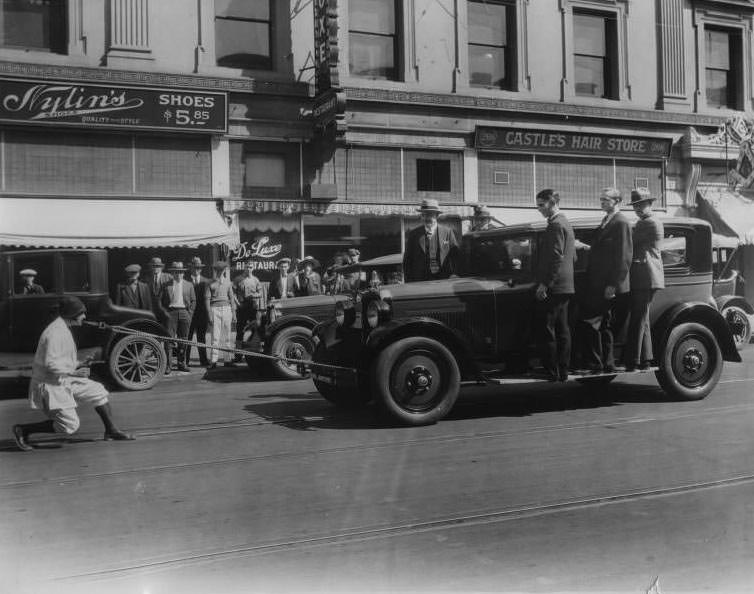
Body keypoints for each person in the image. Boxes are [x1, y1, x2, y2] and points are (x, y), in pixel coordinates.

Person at [11, 296, 134, 452]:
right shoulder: (55, 333)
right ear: (72, 314)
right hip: (50, 385)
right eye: (82, 313)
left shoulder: (62, 327)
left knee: (98, 391)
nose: (84, 317)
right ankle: (23, 430)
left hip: (63, 379)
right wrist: (75, 372)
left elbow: (60, 360)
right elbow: (51, 364)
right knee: (70, 426)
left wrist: (79, 363)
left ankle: (111, 430)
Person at [577, 187, 633, 373]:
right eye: (601, 199)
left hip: (608, 285)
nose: (602, 203)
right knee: (602, 324)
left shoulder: (621, 222)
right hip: (598, 282)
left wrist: (613, 285)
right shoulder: (607, 220)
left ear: (617, 201)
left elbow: (623, 257)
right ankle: (606, 363)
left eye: (606, 200)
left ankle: (597, 364)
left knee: (595, 322)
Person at [534, 189, 575, 382]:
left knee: (548, 328)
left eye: (541, 205)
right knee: (562, 328)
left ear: (551, 202)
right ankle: (563, 370)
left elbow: (556, 257)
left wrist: (545, 284)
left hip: (555, 286)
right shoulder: (565, 222)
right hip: (565, 285)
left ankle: (552, 370)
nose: (539, 209)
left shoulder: (556, 225)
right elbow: (571, 255)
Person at [625, 189, 665, 371]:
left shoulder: (646, 223)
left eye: (641, 205)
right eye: (635, 206)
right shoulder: (651, 221)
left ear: (650, 204)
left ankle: (632, 361)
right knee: (643, 318)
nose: (638, 209)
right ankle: (646, 358)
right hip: (649, 275)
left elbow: (628, 243)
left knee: (638, 318)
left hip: (645, 275)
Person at [403, 198, 460, 282]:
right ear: (421, 216)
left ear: (437, 215)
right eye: (424, 214)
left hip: (444, 279)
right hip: (420, 281)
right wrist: (409, 282)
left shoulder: (447, 232)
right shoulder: (414, 235)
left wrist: (455, 274)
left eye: (430, 214)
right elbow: (407, 261)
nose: (427, 218)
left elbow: (456, 257)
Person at [159, 261, 196, 373]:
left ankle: (181, 363)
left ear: (183, 273)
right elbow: (159, 302)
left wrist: (189, 313)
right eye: (176, 272)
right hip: (171, 313)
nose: (178, 274)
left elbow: (194, 301)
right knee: (168, 340)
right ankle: (168, 366)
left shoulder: (189, 285)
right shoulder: (166, 285)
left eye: (180, 272)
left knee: (183, 340)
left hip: (185, 313)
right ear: (172, 273)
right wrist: (165, 313)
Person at [206, 261, 237, 369]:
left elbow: (232, 298)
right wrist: (209, 314)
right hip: (215, 309)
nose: (220, 272)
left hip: (227, 309)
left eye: (222, 270)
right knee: (215, 336)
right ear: (215, 271)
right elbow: (207, 300)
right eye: (217, 270)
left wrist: (234, 313)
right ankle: (213, 361)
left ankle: (227, 359)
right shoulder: (210, 283)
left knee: (227, 335)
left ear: (224, 271)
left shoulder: (228, 283)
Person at [234, 263, 263, 360]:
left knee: (255, 330)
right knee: (240, 331)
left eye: (251, 267)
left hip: (253, 307)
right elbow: (232, 293)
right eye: (247, 267)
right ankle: (238, 355)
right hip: (242, 307)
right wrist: (238, 303)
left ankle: (253, 353)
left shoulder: (255, 279)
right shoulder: (238, 279)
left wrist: (255, 296)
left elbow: (260, 292)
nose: (249, 269)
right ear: (244, 267)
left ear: (253, 268)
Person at [185, 257, 210, 367]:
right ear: (191, 269)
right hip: (189, 313)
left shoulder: (206, 281)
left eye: (198, 268)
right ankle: (185, 361)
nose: (196, 270)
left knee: (201, 338)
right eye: (194, 268)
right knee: (187, 337)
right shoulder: (185, 281)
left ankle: (203, 361)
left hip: (202, 314)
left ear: (201, 269)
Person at [145, 256, 171, 324]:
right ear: (150, 267)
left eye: (158, 266)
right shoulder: (146, 278)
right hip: (152, 310)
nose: (155, 268)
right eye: (153, 266)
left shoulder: (168, 277)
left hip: (165, 309)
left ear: (162, 267)